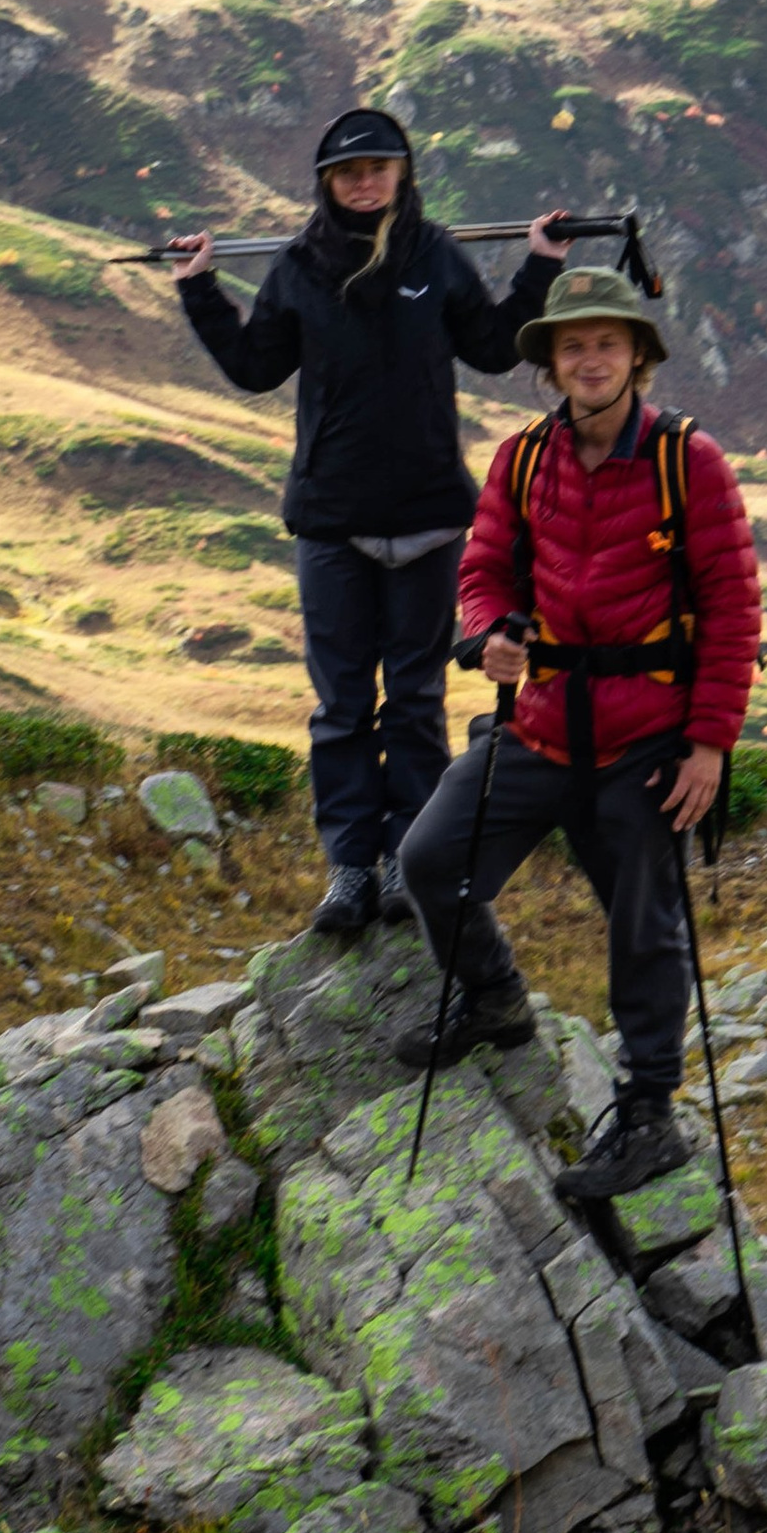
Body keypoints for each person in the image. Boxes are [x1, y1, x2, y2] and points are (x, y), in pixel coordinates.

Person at [393, 264, 762, 1204]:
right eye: (572, 346)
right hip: (540, 725)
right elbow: (482, 570)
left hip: (648, 741)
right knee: (432, 860)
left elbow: (732, 608)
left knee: (644, 929)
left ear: (637, 356)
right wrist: (489, 635)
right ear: (550, 366)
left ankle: (648, 1116)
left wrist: (710, 742)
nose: (590, 359)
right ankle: (495, 999)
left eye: (607, 342)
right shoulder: (522, 459)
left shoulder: (690, 461)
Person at [170, 106, 567, 939]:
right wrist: (201, 288)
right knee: (343, 707)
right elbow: (254, 366)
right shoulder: (298, 269)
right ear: (327, 184)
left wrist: (539, 267)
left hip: (428, 518)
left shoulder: (437, 257)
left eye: (378, 168)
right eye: (348, 173)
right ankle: (350, 868)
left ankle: (405, 863)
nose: (363, 182)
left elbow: (495, 347)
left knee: (415, 702)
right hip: (332, 523)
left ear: (401, 173)